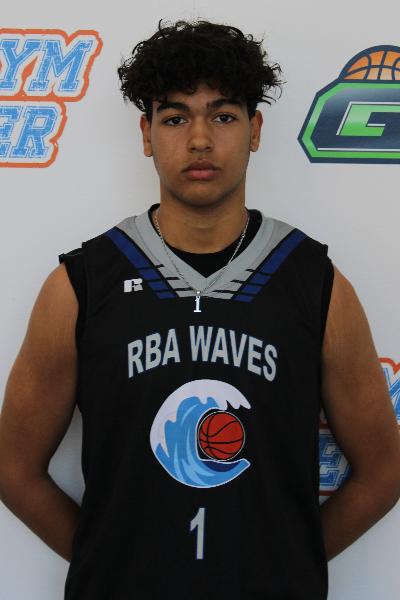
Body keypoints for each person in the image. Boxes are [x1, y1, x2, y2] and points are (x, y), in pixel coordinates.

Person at [0, 19, 399, 600]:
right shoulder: (81, 285)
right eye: (175, 118)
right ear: (146, 133)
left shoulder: (315, 283)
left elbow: (384, 470)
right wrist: (109, 564)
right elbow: (13, 468)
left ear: (255, 129)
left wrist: (288, 566)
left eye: (224, 116)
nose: (200, 140)